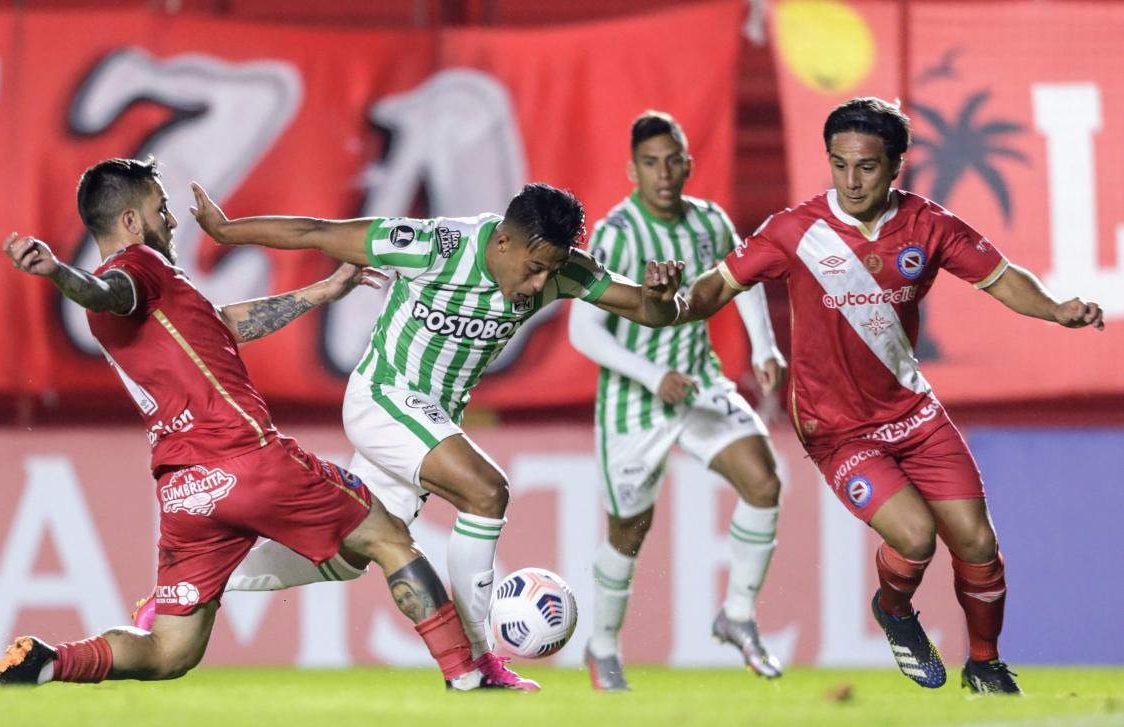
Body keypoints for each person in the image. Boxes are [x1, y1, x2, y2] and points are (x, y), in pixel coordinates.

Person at [0, 158, 486, 691]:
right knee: (389, 538)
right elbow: (106, 290)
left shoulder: (160, 297)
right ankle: (468, 675)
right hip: (249, 459)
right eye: (161, 209)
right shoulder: (136, 267)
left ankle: (47, 660)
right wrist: (58, 272)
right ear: (129, 221)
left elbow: (222, 326)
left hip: (185, 491)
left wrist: (320, 293)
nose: (171, 222)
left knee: (170, 652)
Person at [165, 181, 685, 691]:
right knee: (487, 490)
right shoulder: (437, 246)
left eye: (549, 271)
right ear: (503, 241)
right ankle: (481, 659)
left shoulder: (561, 268)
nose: (538, 285)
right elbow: (317, 231)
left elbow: (646, 309)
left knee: (347, 556)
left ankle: (196, 582)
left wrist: (662, 299)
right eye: (532, 269)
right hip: (384, 398)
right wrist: (227, 231)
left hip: (431, 420)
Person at [675, 97, 1104, 695]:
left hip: (913, 412)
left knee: (979, 543)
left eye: (868, 167)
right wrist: (674, 299)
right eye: (839, 164)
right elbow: (715, 287)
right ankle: (896, 612)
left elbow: (1003, 279)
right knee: (915, 536)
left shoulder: (928, 226)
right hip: (837, 428)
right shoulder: (795, 231)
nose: (851, 180)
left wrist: (1056, 310)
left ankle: (984, 665)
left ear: (896, 166)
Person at [569, 111, 787, 691]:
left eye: (672, 161)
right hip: (634, 402)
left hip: (698, 383)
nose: (662, 173)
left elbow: (741, 279)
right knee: (629, 532)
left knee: (764, 482)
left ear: (688, 164)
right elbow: (583, 332)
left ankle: (737, 615)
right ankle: (604, 646)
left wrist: (764, 347)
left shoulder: (710, 221)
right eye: (650, 163)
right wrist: (650, 373)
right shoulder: (616, 234)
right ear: (632, 169)